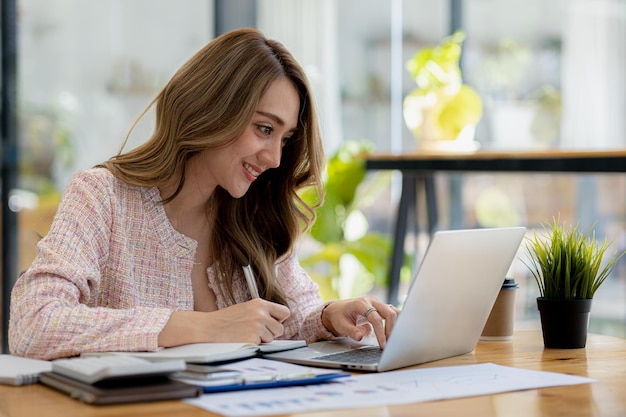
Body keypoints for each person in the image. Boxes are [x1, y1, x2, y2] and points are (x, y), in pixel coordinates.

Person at [9, 28, 398, 360]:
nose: (275, 158)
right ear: (212, 108)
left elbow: (290, 316)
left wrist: (329, 315)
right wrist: (203, 326)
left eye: (285, 138)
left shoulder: (251, 210)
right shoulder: (102, 197)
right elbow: (34, 323)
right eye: (264, 128)